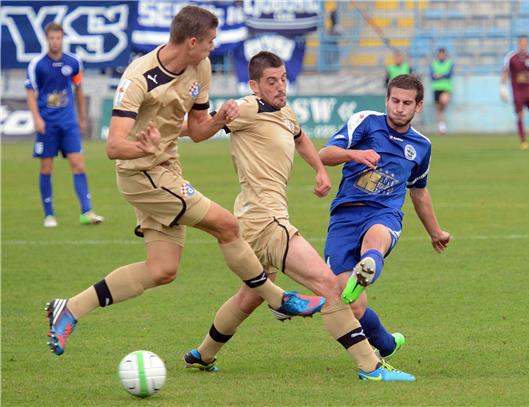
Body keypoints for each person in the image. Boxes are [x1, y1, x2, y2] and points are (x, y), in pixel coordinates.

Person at [45, 6, 324, 357]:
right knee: (226, 224)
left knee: (162, 270)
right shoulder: (138, 78)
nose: (214, 47)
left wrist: (219, 119)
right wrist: (140, 146)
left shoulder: (200, 67)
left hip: (167, 170)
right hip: (142, 174)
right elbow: (113, 146)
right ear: (192, 41)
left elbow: (197, 130)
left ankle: (69, 308)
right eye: (210, 41)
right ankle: (278, 298)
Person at [182, 51, 415, 381]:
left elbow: (301, 138)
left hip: (253, 219)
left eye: (283, 79)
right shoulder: (246, 108)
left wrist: (319, 170)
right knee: (330, 286)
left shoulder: (284, 113)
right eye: (271, 82)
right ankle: (371, 367)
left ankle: (203, 354)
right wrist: (196, 125)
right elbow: (198, 129)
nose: (280, 87)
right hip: (266, 222)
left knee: (249, 297)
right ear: (254, 85)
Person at [319, 74, 451, 360]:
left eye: (406, 103)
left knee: (375, 242)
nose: (399, 108)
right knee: (353, 305)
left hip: (384, 213)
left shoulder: (422, 146)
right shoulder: (365, 122)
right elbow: (324, 154)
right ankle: (387, 343)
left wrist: (435, 232)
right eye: (394, 101)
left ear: (418, 106)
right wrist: (355, 155)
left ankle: (368, 266)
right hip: (345, 215)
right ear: (386, 100)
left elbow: (419, 191)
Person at [25, 22, 103, 228]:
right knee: (46, 166)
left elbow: (78, 88)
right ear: (46, 39)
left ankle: (87, 211)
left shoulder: (74, 62)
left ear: (62, 38)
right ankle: (48, 214)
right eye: (51, 38)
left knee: (78, 163)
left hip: (68, 123)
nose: (55, 41)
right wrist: (37, 118)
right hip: (47, 124)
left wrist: (82, 117)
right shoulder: (37, 64)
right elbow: (30, 92)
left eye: (58, 38)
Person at [500, 35, 529, 150]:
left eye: (525, 43)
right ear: (518, 44)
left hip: (528, 89)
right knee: (520, 115)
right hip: (517, 91)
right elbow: (505, 72)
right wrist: (502, 87)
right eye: (522, 43)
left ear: (527, 45)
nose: (523, 46)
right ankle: (523, 141)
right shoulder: (511, 57)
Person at [429, 48, 454, 134]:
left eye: (443, 54)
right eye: (440, 54)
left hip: (446, 88)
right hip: (436, 88)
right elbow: (432, 76)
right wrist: (440, 75)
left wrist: (439, 75)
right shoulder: (434, 64)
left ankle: (442, 127)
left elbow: (449, 75)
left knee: (443, 101)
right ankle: (442, 128)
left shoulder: (449, 63)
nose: (441, 56)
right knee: (439, 109)